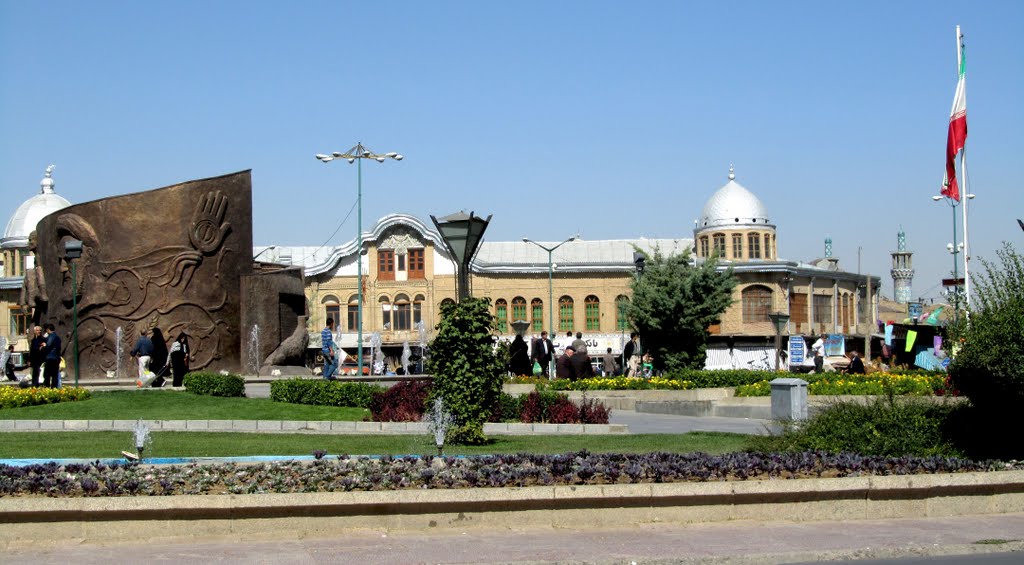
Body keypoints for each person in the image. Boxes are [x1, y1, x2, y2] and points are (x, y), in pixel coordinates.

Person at [42, 323, 61, 388]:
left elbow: (48, 346)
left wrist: (44, 346)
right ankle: (54, 387)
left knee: (47, 374)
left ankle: (47, 387)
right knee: (55, 374)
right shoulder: (57, 337)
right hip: (56, 357)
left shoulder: (51, 337)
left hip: (50, 358)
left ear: (48, 329)